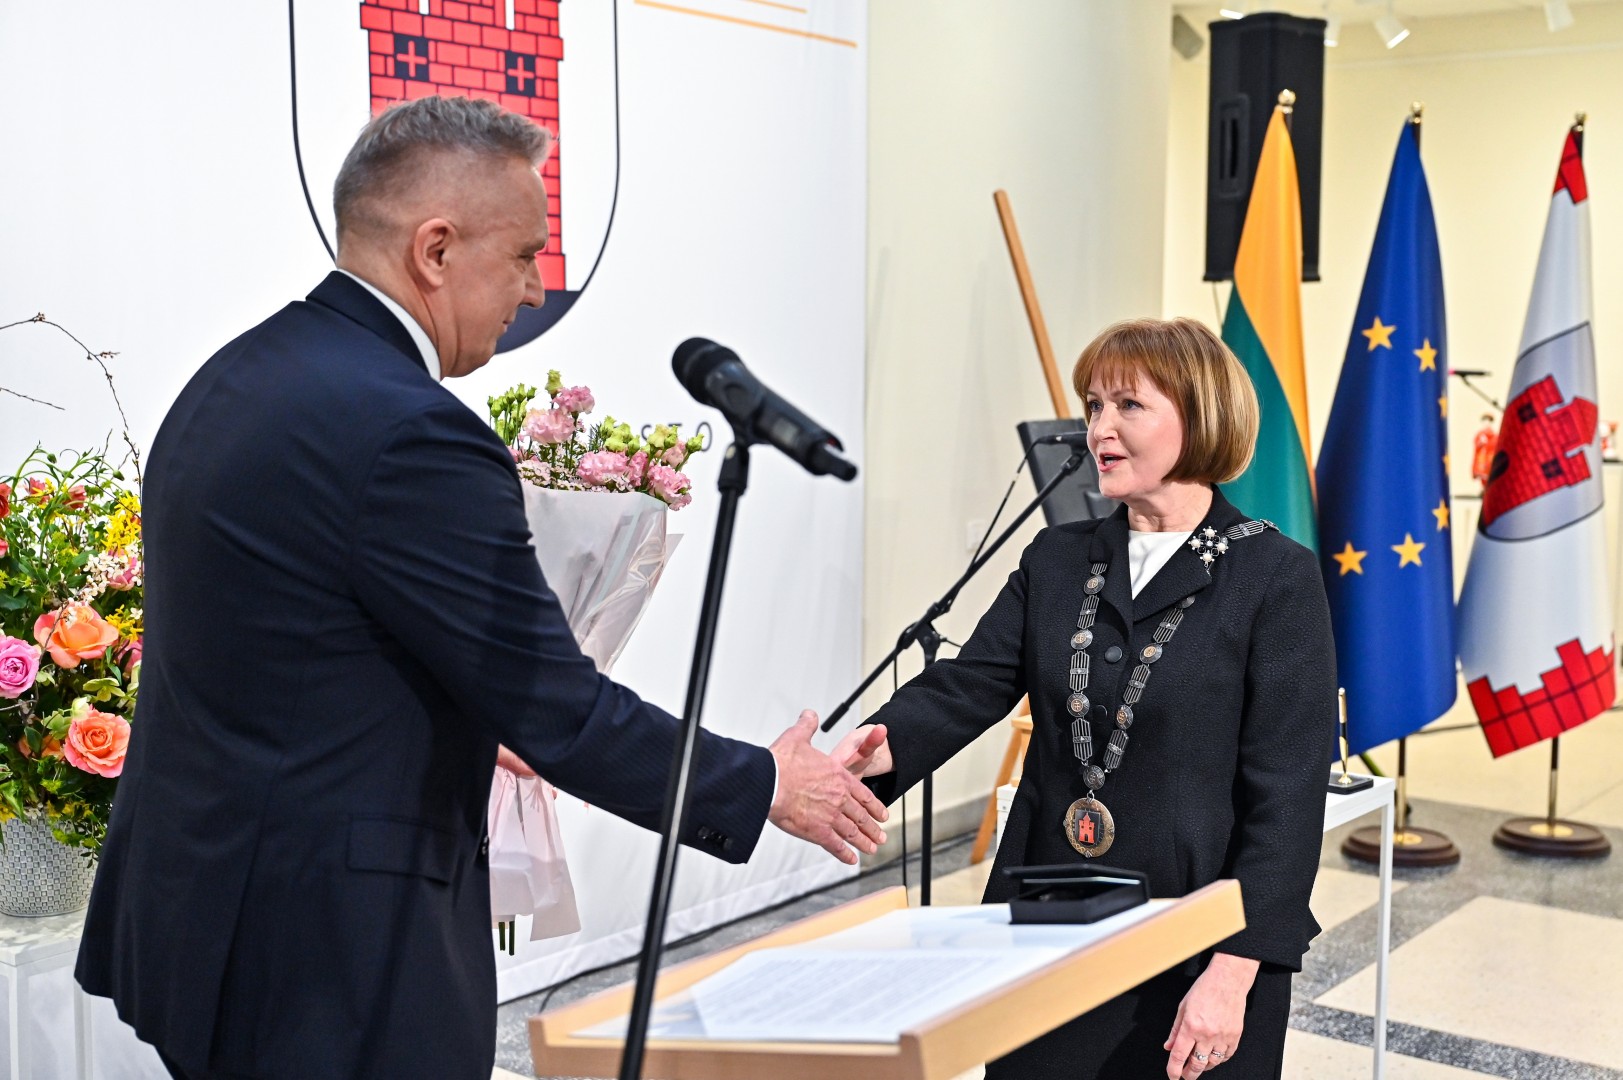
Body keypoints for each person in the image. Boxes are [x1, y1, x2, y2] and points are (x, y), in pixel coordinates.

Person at [75, 96, 888, 1080]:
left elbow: (290, 634)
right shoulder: (412, 432)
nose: (536, 290)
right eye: (525, 255)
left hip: (201, 906)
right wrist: (766, 785)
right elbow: (560, 711)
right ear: (435, 250)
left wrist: (453, 712)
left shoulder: (238, 374)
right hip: (328, 955)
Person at [839, 317, 1335, 1080]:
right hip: (1047, 918)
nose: (1098, 428)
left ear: (1200, 417)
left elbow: (1289, 795)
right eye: (1092, 405)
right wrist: (873, 751)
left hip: (1194, 934)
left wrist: (1235, 967)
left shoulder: (1273, 575)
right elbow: (972, 681)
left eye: (1127, 405)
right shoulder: (1058, 555)